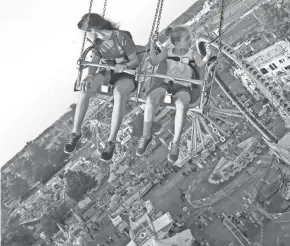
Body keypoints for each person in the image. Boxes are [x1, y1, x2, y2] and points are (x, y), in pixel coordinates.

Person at [65, 13, 140, 162]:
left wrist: (123, 65)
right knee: (85, 88)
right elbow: (95, 61)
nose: (85, 38)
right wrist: (89, 76)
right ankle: (76, 132)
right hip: (108, 73)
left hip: (126, 75)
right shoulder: (97, 44)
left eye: (85, 33)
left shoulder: (120, 37)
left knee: (118, 93)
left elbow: (135, 61)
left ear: (92, 30)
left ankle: (111, 141)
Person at [136, 26, 212, 163]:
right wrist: (152, 45)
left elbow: (201, 64)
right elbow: (154, 61)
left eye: (190, 37)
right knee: (151, 99)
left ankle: (175, 143)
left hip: (184, 86)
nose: (190, 40)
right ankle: (146, 136)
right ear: (177, 43)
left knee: (182, 105)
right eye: (187, 39)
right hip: (168, 83)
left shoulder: (192, 54)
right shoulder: (167, 51)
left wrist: (207, 55)